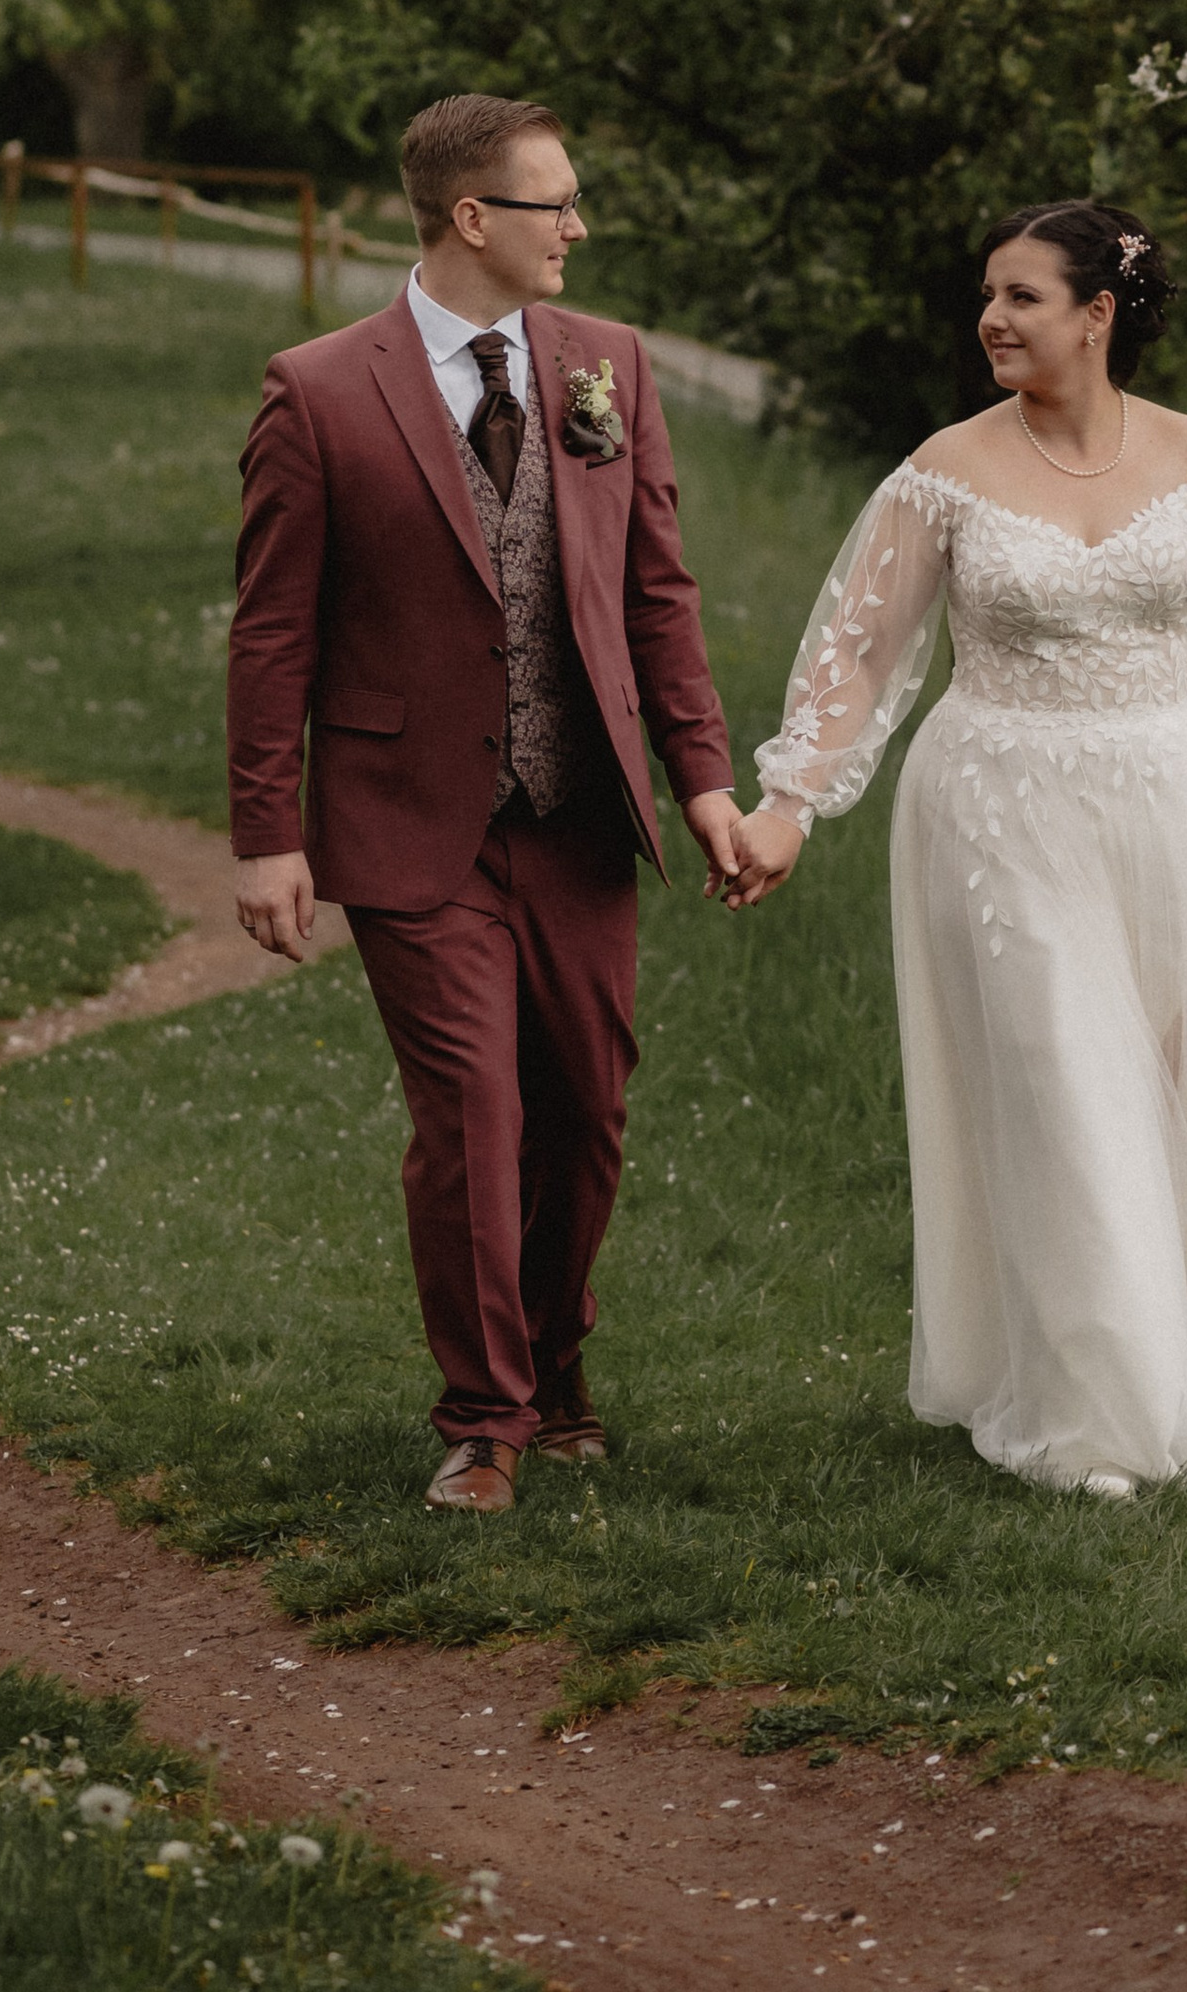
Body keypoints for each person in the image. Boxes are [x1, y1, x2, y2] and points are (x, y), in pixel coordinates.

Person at [724, 199, 1187, 1496]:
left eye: (1022, 297)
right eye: (987, 296)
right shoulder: (944, 472)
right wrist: (790, 804)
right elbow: (860, 655)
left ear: (1098, 314)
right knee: (1070, 1089)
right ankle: (1102, 1418)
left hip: (1186, 806)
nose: (991, 319)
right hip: (1002, 810)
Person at [225, 91, 744, 1513]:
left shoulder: (606, 367)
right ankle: (485, 1420)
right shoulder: (320, 390)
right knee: (471, 1110)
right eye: (554, 202)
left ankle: (557, 1366)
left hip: (579, 815)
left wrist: (704, 779)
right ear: (471, 217)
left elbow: (656, 594)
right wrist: (269, 835)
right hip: (409, 818)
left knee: (585, 1111)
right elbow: (272, 631)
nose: (578, 225)